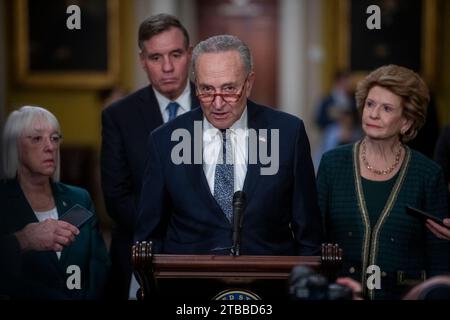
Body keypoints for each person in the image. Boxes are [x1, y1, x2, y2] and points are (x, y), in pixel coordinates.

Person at [135, 35, 322, 257]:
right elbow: (148, 239)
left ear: (249, 83)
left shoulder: (288, 134)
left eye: (229, 89)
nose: (217, 103)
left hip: (268, 282)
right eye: (206, 89)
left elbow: (309, 233)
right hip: (187, 284)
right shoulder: (165, 140)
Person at [317, 65, 450, 300]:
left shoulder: (428, 174)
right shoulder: (332, 163)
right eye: (370, 104)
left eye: (386, 108)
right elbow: (314, 238)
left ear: (406, 122)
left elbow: (439, 259)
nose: (373, 114)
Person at [100, 14, 199, 299]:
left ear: (189, 54)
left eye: (175, 54)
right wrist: (168, 236)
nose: (167, 67)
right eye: (156, 57)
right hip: (138, 251)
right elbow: (117, 197)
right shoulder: (118, 116)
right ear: (142, 60)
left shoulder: (215, 109)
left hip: (205, 251)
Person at [0, 106, 110, 299]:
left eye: (55, 138)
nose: (50, 147)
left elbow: (99, 266)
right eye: (36, 138)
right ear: (14, 146)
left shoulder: (80, 198)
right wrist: (23, 239)